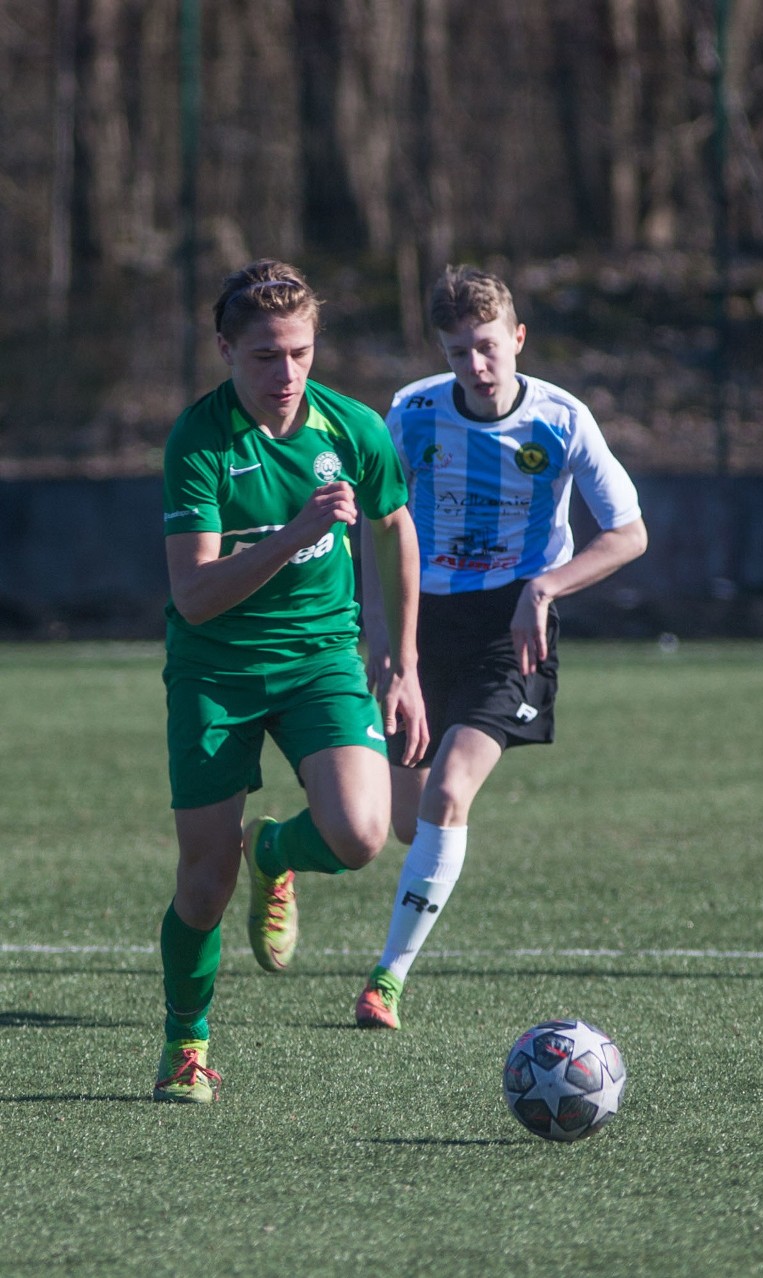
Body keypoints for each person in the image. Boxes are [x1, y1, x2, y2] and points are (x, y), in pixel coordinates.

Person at [154, 258, 428, 1101]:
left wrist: (402, 662)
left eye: (301, 353)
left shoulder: (352, 429)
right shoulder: (199, 441)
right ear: (227, 348)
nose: (286, 374)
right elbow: (195, 596)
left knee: (361, 834)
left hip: (320, 660)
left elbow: (392, 529)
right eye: (266, 356)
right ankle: (186, 1043)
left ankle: (275, 847)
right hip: (217, 671)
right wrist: (296, 532)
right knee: (203, 885)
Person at [354, 264, 648, 1030]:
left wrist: (546, 589)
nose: (476, 368)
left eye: (488, 347)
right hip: (425, 625)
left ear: (518, 338)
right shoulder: (411, 416)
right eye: (458, 353)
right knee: (408, 827)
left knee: (451, 792)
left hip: (514, 633)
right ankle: (276, 849)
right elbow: (376, 528)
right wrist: (384, 643)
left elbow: (629, 533)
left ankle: (387, 978)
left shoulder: (562, 419)